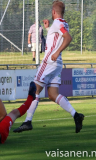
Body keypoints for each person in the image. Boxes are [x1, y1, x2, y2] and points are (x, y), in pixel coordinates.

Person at [13, 0, 84, 134]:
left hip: (49, 62)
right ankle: (76, 115)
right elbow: (57, 39)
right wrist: (47, 28)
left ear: (53, 12)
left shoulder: (57, 23)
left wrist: (56, 52)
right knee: (53, 94)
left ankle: (27, 121)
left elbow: (68, 38)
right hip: (57, 65)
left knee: (34, 91)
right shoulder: (63, 23)